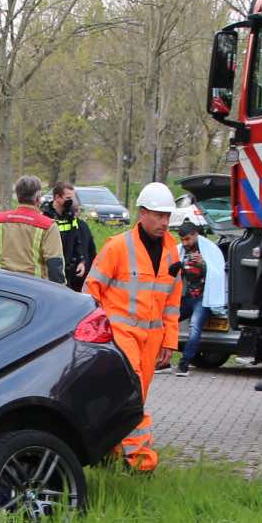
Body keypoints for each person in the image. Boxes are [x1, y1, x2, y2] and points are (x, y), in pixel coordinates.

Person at [85, 181, 182, 471]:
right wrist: (96, 334)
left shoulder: (171, 254)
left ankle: (110, 451)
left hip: (152, 339)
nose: (164, 222)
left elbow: (172, 302)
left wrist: (169, 341)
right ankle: (141, 462)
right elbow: (91, 290)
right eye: (158, 215)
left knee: (126, 399)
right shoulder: (118, 247)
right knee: (133, 395)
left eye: (167, 216)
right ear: (142, 213)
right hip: (120, 335)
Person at [0, 175, 65, 283]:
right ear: (38, 197)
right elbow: (54, 264)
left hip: (2, 285)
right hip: (33, 288)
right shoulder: (48, 225)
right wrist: (60, 291)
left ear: (18, 196)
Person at [172, 212, 228, 376]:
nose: (186, 243)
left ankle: (184, 364)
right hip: (189, 296)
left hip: (203, 298)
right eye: (183, 240)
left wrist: (203, 265)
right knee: (167, 320)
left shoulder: (208, 251)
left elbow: (217, 273)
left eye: (188, 239)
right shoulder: (181, 251)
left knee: (194, 327)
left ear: (195, 235)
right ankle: (162, 360)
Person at [45, 182, 96, 291]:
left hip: (71, 275)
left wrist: (82, 261)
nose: (71, 201)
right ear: (57, 197)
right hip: (52, 275)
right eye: (68, 198)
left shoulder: (72, 218)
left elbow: (79, 241)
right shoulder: (46, 219)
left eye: (72, 198)